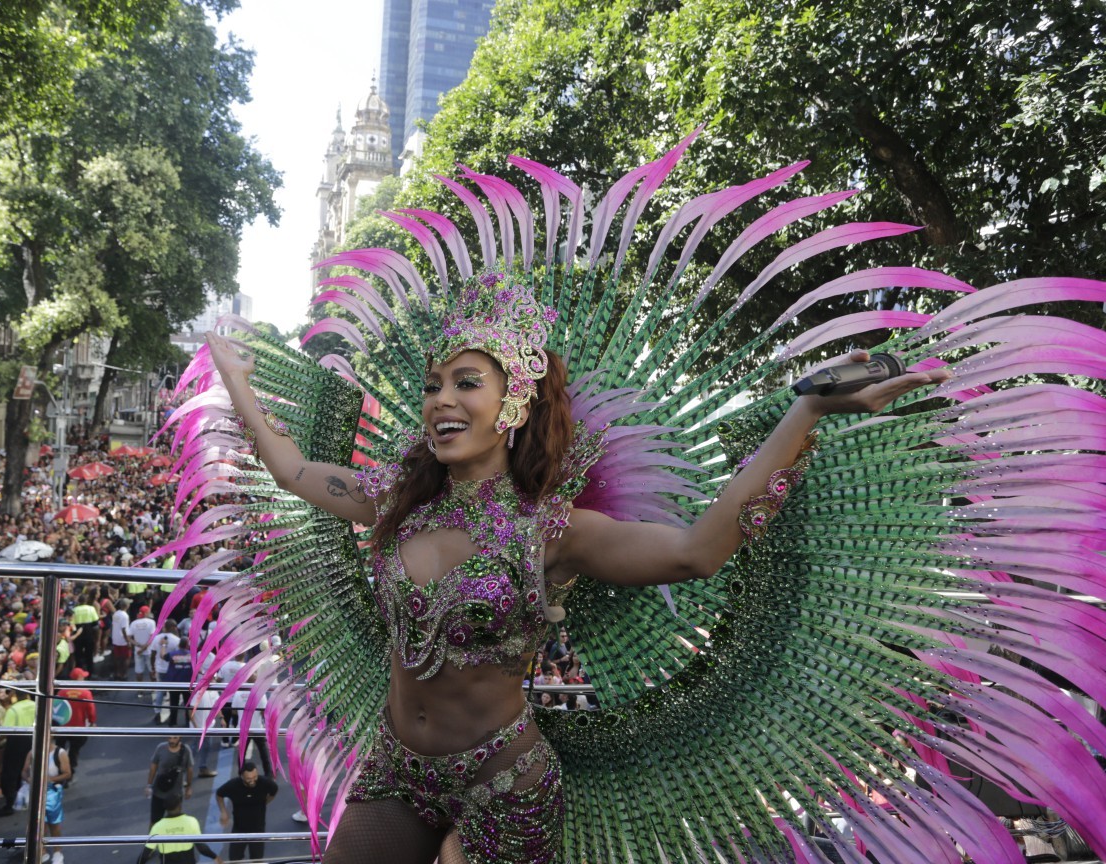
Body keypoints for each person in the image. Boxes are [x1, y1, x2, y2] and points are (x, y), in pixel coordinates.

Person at [168, 146, 1106, 863]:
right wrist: (237, 377)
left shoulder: (553, 531)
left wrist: (804, 411)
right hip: (395, 768)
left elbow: (700, 550)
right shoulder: (392, 503)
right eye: (432, 387)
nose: (443, 401)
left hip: (505, 782)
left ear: (516, 404)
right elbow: (293, 470)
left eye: (468, 384)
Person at [214, 762, 277, 862]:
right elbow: (219, 794)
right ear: (242, 776)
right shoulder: (233, 785)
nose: (252, 781)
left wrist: (264, 803)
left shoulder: (265, 783)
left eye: (255, 777)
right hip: (239, 829)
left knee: (257, 860)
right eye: (249, 779)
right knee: (234, 859)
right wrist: (223, 812)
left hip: (258, 829)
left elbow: (274, 791)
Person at [137, 794, 221, 864]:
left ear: (165, 807)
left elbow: (145, 854)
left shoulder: (158, 826)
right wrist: (215, 857)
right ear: (180, 805)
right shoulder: (191, 821)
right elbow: (201, 847)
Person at [145, 736, 194, 827]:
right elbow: (153, 767)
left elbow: (190, 769)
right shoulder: (161, 748)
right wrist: (149, 785)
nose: (171, 740)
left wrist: (189, 787)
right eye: (170, 738)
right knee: (154, 821)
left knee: (175, 822)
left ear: (179, 738)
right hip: (158, 792)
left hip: (175, 795)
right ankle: (151, 840)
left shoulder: (185, 750)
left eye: (174, 738)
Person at [56, 668, 97, 773]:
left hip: (62, 726)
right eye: (83, 676)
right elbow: (91, 710)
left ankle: (59, 767)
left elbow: (55, 707)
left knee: (60, 748)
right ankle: (70, 770)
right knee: (74, 750)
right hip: (78, 727)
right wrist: (92, 722)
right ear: (79, 678)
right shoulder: (86, 693)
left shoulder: (61, 692)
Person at [111, 598, 132, 680]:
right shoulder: (125, 616)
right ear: (126, 606)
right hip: (123, 640)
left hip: (115, 639)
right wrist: (128, 641)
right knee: (126, 657)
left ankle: (117, 673)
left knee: (117, 657)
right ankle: (123, 675)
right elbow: (124, 629)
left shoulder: (115, 614)